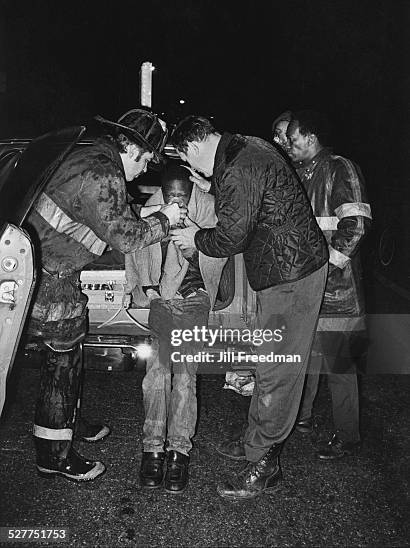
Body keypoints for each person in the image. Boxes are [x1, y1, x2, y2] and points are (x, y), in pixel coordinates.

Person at [169, 115, 328, 500]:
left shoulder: (238, 167)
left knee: (279, 370)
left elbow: (231, 236)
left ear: (192, 147)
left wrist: (195, 237)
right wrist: (212, 185)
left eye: (189, 161)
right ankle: (255, 440)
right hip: (284, 269)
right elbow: (251, 199)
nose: (191, 169)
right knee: (267, 361)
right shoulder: (245, 146)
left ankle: (265, 463)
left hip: (291, 276)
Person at [25, 108, 184, 482]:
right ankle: (54, 455)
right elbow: (125, 238)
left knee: (67, 358)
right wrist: (166, 220)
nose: (145, 169)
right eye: (146, 160)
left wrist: (147, 213)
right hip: (50, 280)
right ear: (133, 148)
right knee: (60, 363)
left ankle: (67, 422)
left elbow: (99, 215)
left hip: (41, 270)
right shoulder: (105, 172)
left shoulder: (88, 155)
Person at [125, 162, 226, 493]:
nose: (178, 202)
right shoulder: (152, 209)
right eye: (171, 196)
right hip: (162, 300)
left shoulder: (209, 208)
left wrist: (195, 240)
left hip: (195, 298)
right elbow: (133, 250)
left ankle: (178, 453)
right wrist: (144, 286)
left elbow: (225, 250)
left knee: (184, 377)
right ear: (163, 192)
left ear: (192, 190)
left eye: (183, 196)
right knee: (156, 374)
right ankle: (152, 449)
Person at [287, 111, 372, 459]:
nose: (288, 147)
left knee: (339, 368)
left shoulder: (340, 168)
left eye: (292, 140)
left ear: (310, 137)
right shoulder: (303, 174)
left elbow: (356, 226)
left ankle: (348, 437)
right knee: (304, 360)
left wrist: (325, 270)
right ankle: (300, 419)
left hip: (337, 293)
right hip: (310, 289)